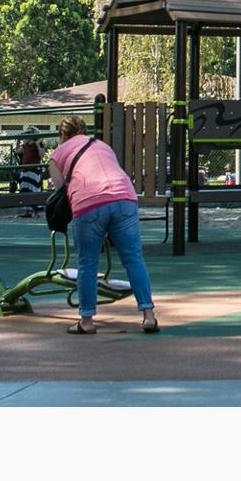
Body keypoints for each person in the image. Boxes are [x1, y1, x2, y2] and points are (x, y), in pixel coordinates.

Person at [50, 115, 158, 334]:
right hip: (124, 197)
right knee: (133, 258)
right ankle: (148, 316)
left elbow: (58, 188)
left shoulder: (57, 154)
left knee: (88, 263)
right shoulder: (101, 145)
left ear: (62, 135)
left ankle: (87, 320)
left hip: (89, 203)